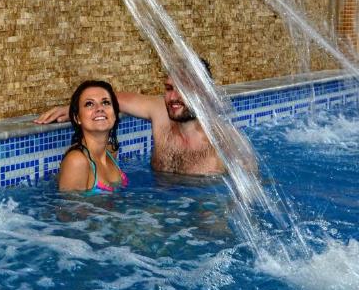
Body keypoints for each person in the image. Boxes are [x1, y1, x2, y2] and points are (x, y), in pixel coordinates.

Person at [36, 62, 225, 176]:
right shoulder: (160, 111)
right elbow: (111, 98)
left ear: (204, 93)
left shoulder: (225, 146)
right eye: (169, 89)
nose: (173, 97)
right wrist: (74, 109)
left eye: (183, 90)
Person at [57, 80, 128, 194]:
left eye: (106, 103)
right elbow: (69, 211)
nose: (100, 108)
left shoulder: (111, 151)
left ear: (114, 114)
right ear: (77, 118)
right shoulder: (77, 161)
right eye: (89, 104)